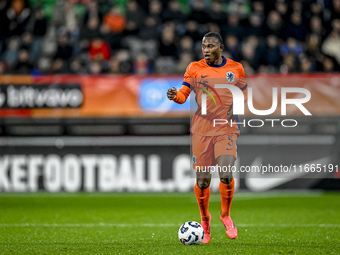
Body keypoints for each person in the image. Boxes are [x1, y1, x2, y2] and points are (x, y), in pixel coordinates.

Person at [167, 32, 247, 243]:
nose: (205, 49)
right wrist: (176, 96)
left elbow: (243, 93)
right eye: (203, 46)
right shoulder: (194, 68)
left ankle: (225, 215)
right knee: (202, 182)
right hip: (201, 130)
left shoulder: (236, 68)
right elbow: (184, 95)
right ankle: (205, 220)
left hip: (225, 128)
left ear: (220, 47)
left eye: (210, 46)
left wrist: (236, 106)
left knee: (226, 174)